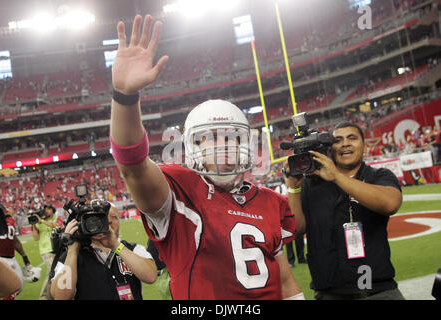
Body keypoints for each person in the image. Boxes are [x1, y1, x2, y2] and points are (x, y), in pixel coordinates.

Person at [109, 14, 303, 300]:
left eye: (231, 136)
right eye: (210, 137)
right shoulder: (179, 191)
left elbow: (285, 280)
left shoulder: (272, 202)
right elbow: (133, 165)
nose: (223, 144)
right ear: (191, 147)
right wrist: (125, 96)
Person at [284, 121, 405, 300]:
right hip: (329, 292)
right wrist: (293, 189)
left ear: (364, 146)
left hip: (377, 290)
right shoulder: (312, 183)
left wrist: (336, 177)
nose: (345, 143)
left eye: (352, 138)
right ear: (330, 148)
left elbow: (390, 204)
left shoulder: (379, 176)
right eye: (338, 140)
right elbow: (296, 229)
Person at [49, 202, 157, 300]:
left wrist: (116, 245)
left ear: (119, 221)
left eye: (114, 217)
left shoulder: (133, 249)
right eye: (100, 217)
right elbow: (60, 297)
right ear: (84, 223)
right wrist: (72, 251)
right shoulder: (71, 257)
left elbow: (151, 276)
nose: (108, 221)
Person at [0, 204, 37, 300]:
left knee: (18, 286)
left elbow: (15, 240)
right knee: (7, 289)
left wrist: (24, 256)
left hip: (11, 257)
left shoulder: (10, 221)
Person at [31, 204, 63, 300]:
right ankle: (44, 297)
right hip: (46, 250)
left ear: (53, 210)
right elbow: (36, 238)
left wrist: (41, 221)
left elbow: (57, 226)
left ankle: (53, 295)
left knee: (56, 272)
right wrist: (34, 224)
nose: (46, 211)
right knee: (52, 272)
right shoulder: (39, 223)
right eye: (45, 209)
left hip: (58, 249)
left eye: (48, 209)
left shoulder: (57, 218)